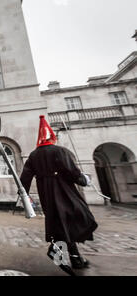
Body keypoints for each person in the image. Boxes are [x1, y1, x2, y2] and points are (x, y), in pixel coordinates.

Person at [20, 115, 98, 274]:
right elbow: (71, 171)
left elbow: (25, 178)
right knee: (79, 217)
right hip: (63, 190)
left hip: (46, 194)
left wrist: (24, 195)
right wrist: (84, 180)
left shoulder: (34, 155)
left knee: (61, 223)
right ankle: (56, 250)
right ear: (52, 137)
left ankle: (75, 259)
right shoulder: (59, 151)